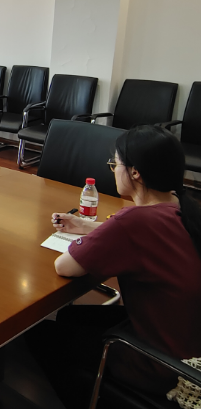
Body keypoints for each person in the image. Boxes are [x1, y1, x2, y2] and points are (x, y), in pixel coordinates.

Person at [27, 125, 201, 408]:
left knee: (39, 333)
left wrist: (93, 236)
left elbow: (65, 266)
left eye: (115, 164)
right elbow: (140, 236)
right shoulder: (183, 207)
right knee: (69, 317)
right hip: (186, 342)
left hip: (162, 365)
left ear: (135, 172)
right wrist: (88, 226)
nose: (113, 170)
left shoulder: (133, 222)